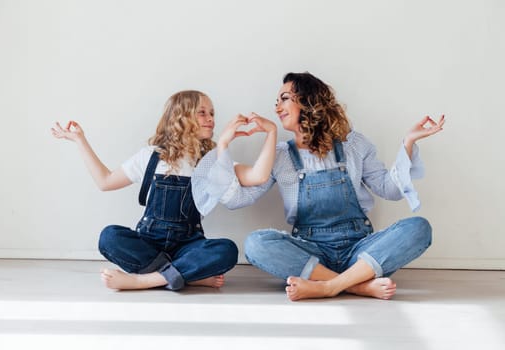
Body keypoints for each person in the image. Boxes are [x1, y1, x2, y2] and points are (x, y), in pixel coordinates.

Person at [192, 72, 445, 301]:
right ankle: (356, 285)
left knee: (418, 228)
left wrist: (408, 143)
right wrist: (223, 147)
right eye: (276, 102)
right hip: (312, 253)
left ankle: (327, 286)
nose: (277, 107)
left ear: (308, 101)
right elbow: (239, 200)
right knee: (256, 243)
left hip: (360, 251)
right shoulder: (280, 155)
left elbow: (389, 189)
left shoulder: (354, 145)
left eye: (284, 98)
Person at [51, 90, 273, 291]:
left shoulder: (211, 162)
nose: (211, 119)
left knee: (226, 250)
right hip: (150, 243)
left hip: (189, 245)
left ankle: (145, 280)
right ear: (181, 117)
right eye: (202, 113)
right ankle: (186, 275)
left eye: (212, 113)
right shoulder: (150, 156)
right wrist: (80, 140)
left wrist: (271, 132)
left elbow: (258, 176)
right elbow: (105, 181)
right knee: (109, 237)